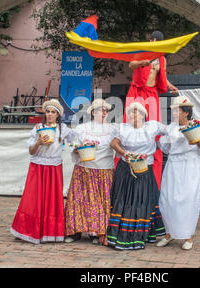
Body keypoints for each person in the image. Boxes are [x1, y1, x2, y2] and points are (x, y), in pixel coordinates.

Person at [10, 99, 76, 244]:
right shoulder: (38, 128)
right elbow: (31, 151)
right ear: (45, 113)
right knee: (33, 199)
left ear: (58, 115)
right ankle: (26, 231)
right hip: (38, 166)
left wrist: (79, 147)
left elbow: (74, 140)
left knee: (52, 199)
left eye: (53, 112)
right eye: (48, 112)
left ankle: (50, 232)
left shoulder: (63, 129)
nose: (50, 114)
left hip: (54, 167)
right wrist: (38, 142)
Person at [121, 30, 179, 189]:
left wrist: (170, 85)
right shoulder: (141, 51)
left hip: (151, 93)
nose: (154, 42)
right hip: (136, 91)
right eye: (152, 39)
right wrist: (142, 63)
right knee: (130, 125)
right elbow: (131, 65)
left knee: (154, 129)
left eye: (157, 40)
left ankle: (153, 175)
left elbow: (162, 76)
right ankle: (126, 165)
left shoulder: (162, 59)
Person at [107, 102, 168, 250]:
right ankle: (122, 234)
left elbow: (171, 131)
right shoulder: (123, 128)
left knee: (142, 201)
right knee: (124, 200)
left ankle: (143, 234)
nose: (132, 115)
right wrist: (125, 153)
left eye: (135, 112)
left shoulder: (152, 126)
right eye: (130, 113)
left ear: (142, 115)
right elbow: (113, 143)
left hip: (144, 169)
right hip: (125, 169)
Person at [156, 96, 200, 250]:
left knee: (187, 200)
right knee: (167, 200)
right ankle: (169, 233)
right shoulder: (172, 128)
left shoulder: (195, 126)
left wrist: (198, 142)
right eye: (173, 110)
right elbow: (165, 147)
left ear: (186, 113)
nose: (174, 113)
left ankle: (187, 237)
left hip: (190, 165)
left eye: (177, 110)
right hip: (173, 165)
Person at [65, 99, 115, 245]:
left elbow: (117, 144)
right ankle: (75, 232)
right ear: (93, 112)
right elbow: (73, 145)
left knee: (99, 202)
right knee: (79, 201)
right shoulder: (82, 128)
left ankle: (96, 232)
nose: (104, 113)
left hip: (103, 170)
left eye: (106, 110)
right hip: (84, 169)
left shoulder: (113, 129)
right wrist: (76, 149)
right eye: (101, 110)